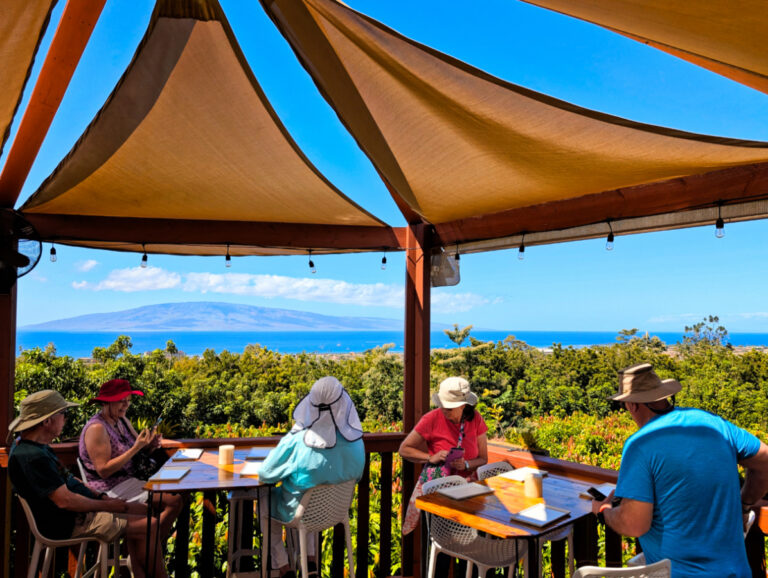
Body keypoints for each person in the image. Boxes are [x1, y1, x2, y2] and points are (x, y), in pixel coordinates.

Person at [591, 363, 768, 578]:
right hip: (737, 572)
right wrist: (744, 503)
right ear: (664, 396)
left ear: (632, 405)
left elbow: (634, 525)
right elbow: (764, 461)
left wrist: (604, 511)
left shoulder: (640, 444)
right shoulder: (714, 424)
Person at [8, 390, 167, 578]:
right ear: (47, 421)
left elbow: (69, 479)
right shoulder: (31, 457)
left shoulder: (35, 447)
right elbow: (65, 501)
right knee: (151, 525)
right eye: (63, 414)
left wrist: (100, 496)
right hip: (69, 522)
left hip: (78, 512)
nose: (65, 420)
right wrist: (106, 505)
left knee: (144, 512)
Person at [258, 376, 365, 578]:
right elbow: (357, 475)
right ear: (344, 403)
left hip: (298, 513)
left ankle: (283, 567)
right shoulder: (356, 442)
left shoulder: (298, 441)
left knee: (265, 501)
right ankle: (311, 564)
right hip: (336, 511)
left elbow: (266, 473)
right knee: (312, 499)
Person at [79, 379, 182, 537]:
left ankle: (150, 544)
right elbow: (103, 470)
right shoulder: (97, 428)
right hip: (109, 489)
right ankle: (153, 545)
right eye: (121, 401)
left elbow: (139, 452)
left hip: (129, 481)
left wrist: (151, 445)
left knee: (177, 495)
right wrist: (136, 447)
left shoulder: (121, 421)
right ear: (107, 402)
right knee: (172, 501)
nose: (126, 405)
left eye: (128, 400)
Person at [399, 376, 489, 535]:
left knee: (473, 537)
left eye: (449, 408)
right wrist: (429, 457)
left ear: (463, 406)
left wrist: (466, 464)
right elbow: (404, 449)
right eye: (442, 406)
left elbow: (483, 458)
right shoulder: (431, 418)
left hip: (468, 492)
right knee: (443, 541)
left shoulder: (475, 419)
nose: (444, 411)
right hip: (440, 493)